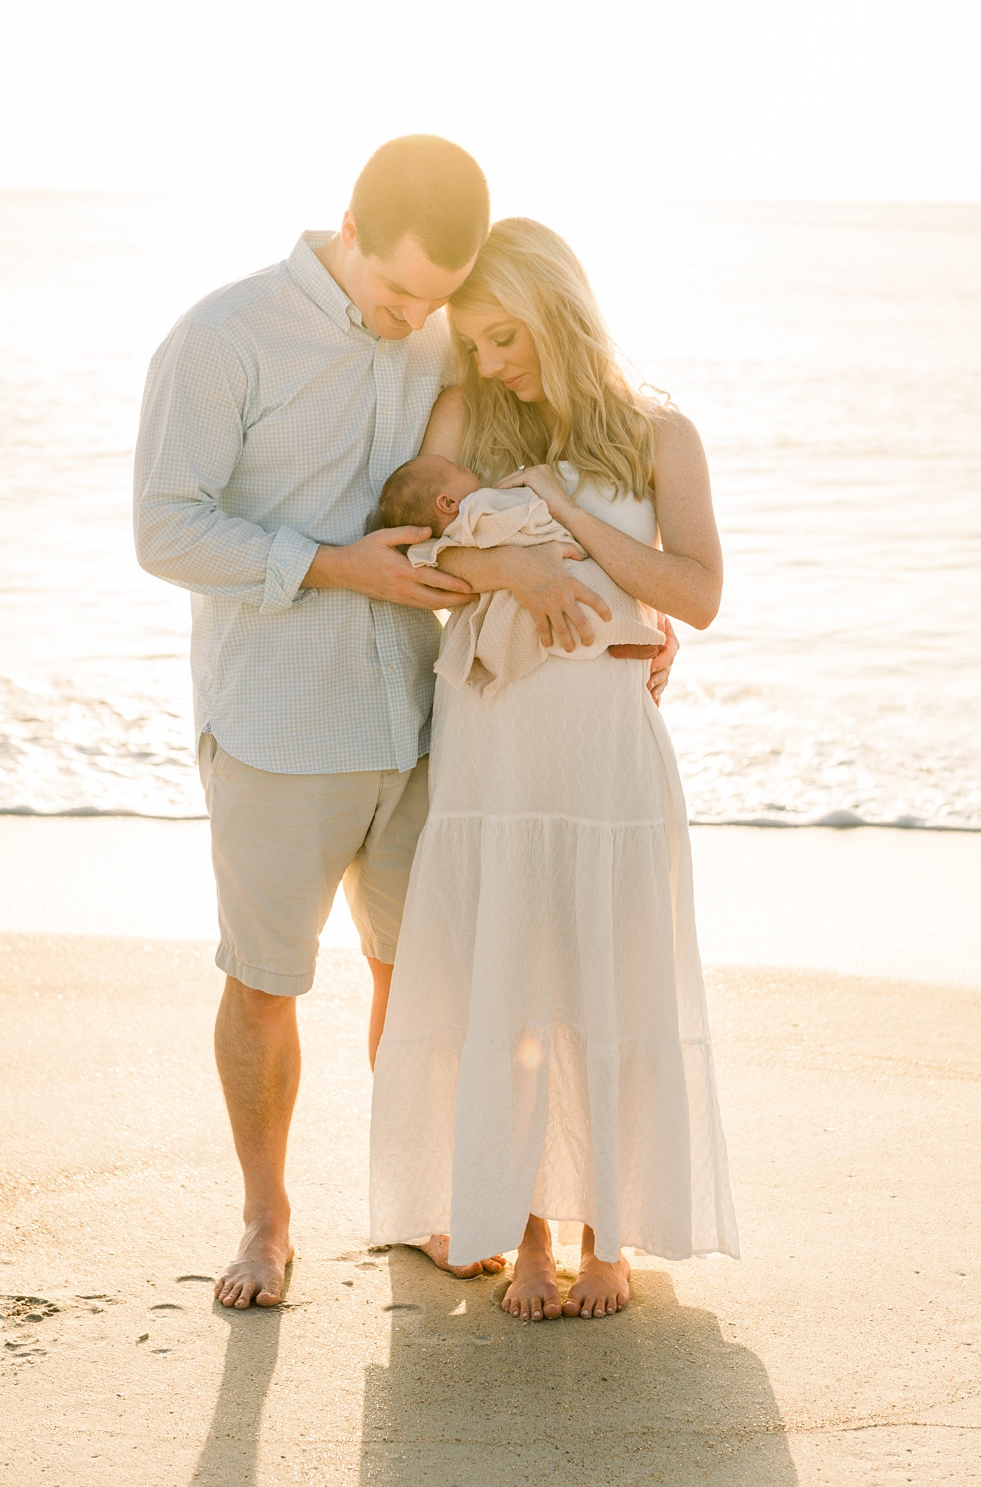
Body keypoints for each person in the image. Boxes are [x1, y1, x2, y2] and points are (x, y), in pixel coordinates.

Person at [133, 137, 618, 1310]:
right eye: (400, 293)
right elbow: (166, 530)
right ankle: (266, 1218)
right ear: (348, 228)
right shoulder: (222, 336)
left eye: (439, 302)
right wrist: (338, 568)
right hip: (277, 724)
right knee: (266, 982)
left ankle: (426, 1203)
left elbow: (544, 465)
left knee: (427, 979)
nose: (419, 321)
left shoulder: (446, 333)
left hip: (425, 716)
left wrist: (628, 635)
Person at [369, 218, 739, 1323]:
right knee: (510, 988)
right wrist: (518, 567)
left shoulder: (661, 431)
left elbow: (700, 595)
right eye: (472, 343)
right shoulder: (466, 417)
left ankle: (607, 1235)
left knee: (613, 982)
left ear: (555, 312)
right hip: (494, 750)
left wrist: (572, 517)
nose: (487, 364)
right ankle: (527, 1235)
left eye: (498, 338)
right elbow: (424, 548)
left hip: (608, 764)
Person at [378, 455, 664, 697]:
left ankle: (630, 632)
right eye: (460, 471)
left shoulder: (445, 541)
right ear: (447, 502)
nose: (469, 470)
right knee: (593, 586)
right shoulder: (478, 506)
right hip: (547, 563)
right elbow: (520, 513)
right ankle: (636, 630)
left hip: (522, 592)